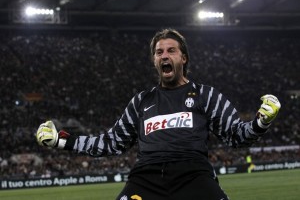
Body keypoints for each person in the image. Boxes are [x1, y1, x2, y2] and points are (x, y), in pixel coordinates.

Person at [36, 28, 281, 200]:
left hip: (193, 175)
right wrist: (61, 140)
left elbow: (237, 136)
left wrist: (261, 122)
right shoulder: (141, 102)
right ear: (154, 60)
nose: (164, 55)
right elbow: (110, 143)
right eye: (159, 52)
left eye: (171, 50)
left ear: (183, 58)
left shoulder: (207, 95)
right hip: (146, 178)